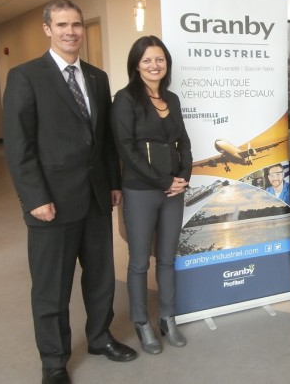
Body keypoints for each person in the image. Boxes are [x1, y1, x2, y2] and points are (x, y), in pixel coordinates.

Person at [2, 0, 137, 383]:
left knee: (101, 278)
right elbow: (18, 145)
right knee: (51, 289)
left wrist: (112, 182)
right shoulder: (25, 76)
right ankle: (54, 361)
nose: (71, 32)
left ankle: (99, 337)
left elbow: (105, 141)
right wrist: (34, 198)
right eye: (62, 24)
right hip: (51, 204)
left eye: (76, 24)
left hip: (95, 198)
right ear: (48, 29)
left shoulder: (96, 77)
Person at [112, 35, 192, 355]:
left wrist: (183, 177)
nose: (154, 65)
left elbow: (183, 142)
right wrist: (163, 181)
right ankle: (142, 322)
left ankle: (168, 317)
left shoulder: (172, 99)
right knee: (139, 261)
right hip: (141, 189)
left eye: (159, 59)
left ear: (166, 64)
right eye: (147, 60)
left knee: (169, 258)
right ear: (136, 64)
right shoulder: (125, 98)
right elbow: (127, 150)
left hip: (174, 190)